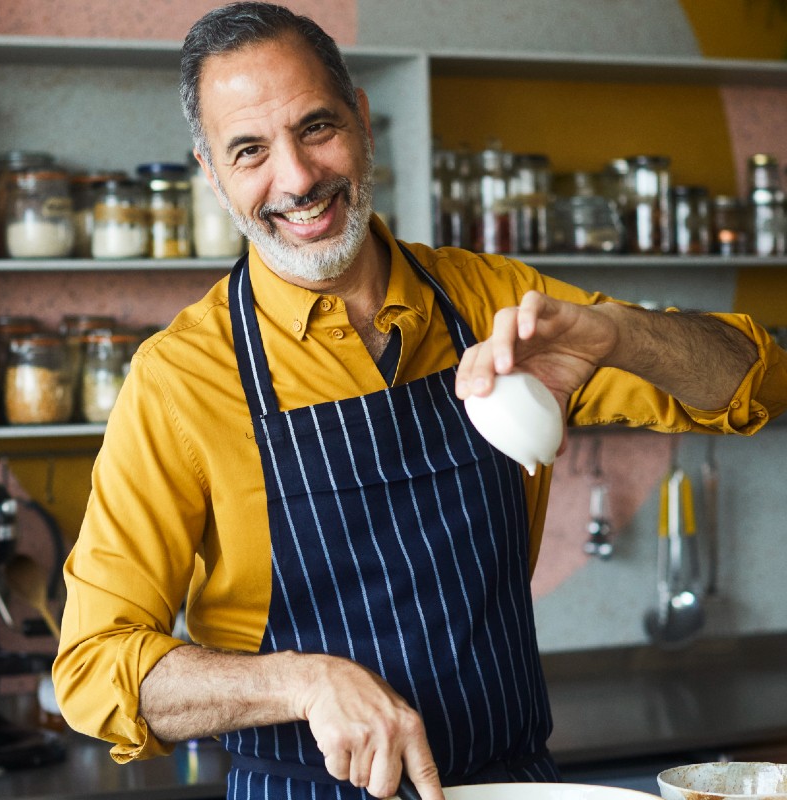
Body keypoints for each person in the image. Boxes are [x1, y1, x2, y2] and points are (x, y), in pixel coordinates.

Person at [52, 4, 787, 800]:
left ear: (363, 121)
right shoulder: (181, 379)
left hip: (514, 783)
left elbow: (759, 382)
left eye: (317, 127)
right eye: (251, 150)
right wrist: (298, 683)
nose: (296, 178)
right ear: (212, 171)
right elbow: (93, 668)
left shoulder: (497, 301)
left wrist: (619, 335)